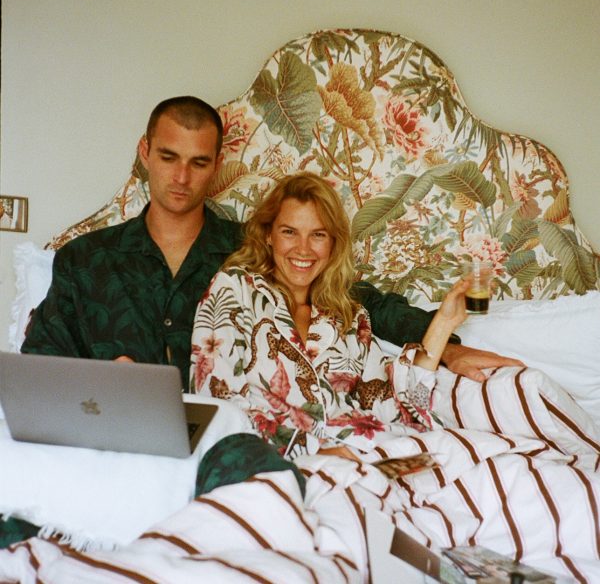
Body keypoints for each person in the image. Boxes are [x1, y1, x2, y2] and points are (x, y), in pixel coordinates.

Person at [21, 95, 521, 388]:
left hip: (228, 438)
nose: (181, 177)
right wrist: (104, 382)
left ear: (217, 165)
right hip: (111, 437)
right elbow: (39, 364)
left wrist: (447, 347)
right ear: (145, 152)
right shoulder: (85, 259)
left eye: (198, 162)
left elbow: (355, 298)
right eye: (169, 157)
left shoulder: (253, 250)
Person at [189, 171, 473, 458]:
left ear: (333, 243)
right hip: (278, 464)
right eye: (289, 232)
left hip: (361, 456)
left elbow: (396, 408)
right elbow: (215, 400)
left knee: (469, 452)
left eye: (318, 235)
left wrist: (443, 324)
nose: (303, 249)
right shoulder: (234, 288)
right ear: (268, 235)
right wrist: (314, 454)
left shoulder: (349, 315)